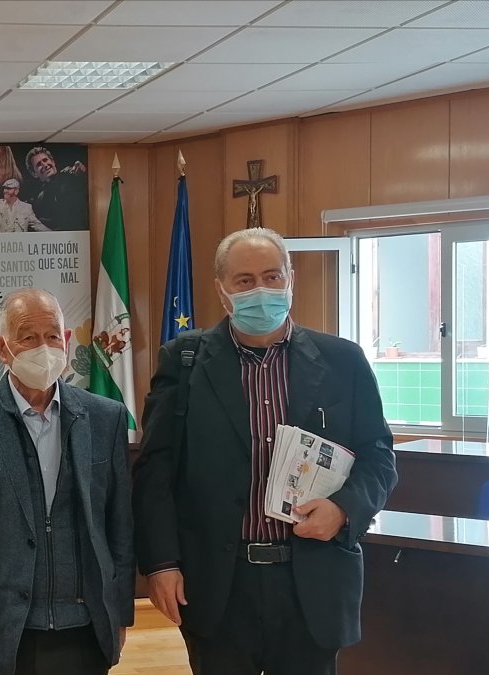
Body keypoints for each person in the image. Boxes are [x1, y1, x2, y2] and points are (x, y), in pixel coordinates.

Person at [133, 228, 397, 675]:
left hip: (312, 581)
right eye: (245, 280)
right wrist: (160, 563)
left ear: (290, 279)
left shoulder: (343, 361)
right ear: (222, 291)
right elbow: (155, 471)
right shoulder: (184, 361)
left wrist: (344, 510)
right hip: (219, 582)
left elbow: (379, 457)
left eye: (273, 277)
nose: (262, 290)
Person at [0, 288, 134, 675]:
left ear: (67, 340)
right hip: (3, 634)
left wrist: (119, 613)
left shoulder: (105, 418)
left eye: (53, 335)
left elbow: (119, 530)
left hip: (86, 630)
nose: (44, 347)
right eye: (28, 337)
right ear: (2, 348)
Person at [24, 146, 88, 231]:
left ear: (53, 162)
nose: (44, 165)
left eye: (45, 160)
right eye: (39, 164)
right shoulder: (40, 199)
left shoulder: (70, 177)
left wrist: (81, 173)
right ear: (34, 174)